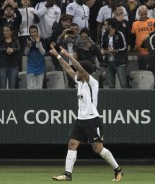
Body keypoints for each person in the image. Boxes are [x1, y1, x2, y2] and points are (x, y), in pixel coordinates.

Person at [49, 45, 123, 182]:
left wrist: (68, 55)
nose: (75, 72)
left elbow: (77, 67)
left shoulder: (92, 82)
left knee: (98, 149)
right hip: (80, 120)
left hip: (92, 120)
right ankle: (67, 174)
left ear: (84, 72)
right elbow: (68, 68)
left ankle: (118, 170)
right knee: (72, 144)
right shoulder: (80, 82)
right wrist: (58, 56)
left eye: (78, 71)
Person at [101, 18, 128, 88]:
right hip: (108, 62)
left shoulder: (119, 34)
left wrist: (115, 51)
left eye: (105, 25)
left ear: (110, 26)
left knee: (123, 83)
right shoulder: (104, 35)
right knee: (111, 85)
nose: (104, 26)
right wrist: (103, 51)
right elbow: (102, 46)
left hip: (119, 61)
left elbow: (125, 47)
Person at [0, 24, 21, 89]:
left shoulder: (16, 40)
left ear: (11, 31)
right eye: (4, 30)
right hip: (2, 66)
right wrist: (6, 49)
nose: (5, 32)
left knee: (12, 87)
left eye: (7, 30)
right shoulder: (0, 41)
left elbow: (19, 49)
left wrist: (13, 50)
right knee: (2, 86)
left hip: (13, 66)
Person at [131, 5, 155, 70]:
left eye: (145, 14)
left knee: (153, 70)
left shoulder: (153, 21)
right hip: (141, 52)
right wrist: (133, 46)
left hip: (152, 51)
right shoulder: (135, 24)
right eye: (142, 14)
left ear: (147, 12)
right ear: (139, 13)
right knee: (142, 70)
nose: (144, 16)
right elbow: (132, 36)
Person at [24, 24, 46, 89]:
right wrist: (28, 46)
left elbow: (43, 53)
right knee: (31, 87)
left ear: (37, 32)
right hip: (31, 66)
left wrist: (38, 43)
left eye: (35, 32)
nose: (33, 34)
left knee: (39, 88)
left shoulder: (42, 40)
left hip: (40, 66)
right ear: (29, 33)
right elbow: (26, 53)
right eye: (31, 32)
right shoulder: (27, 40)